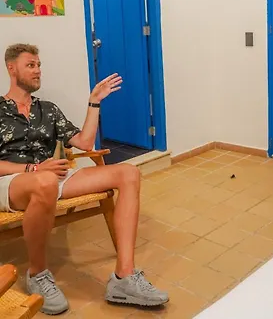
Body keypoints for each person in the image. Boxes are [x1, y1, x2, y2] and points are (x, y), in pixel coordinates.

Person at [0, 44, 169, 315]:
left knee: (129, 173)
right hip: (12, 181)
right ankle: (38, 274)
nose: (38, 70)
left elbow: (85, 142)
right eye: (30, 65)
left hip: (53, 178)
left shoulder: (48, 109)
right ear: (11, 68)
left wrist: (94, 102)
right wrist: (34, 168)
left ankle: (124, 277)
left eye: (39, 65)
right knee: (45, 182)